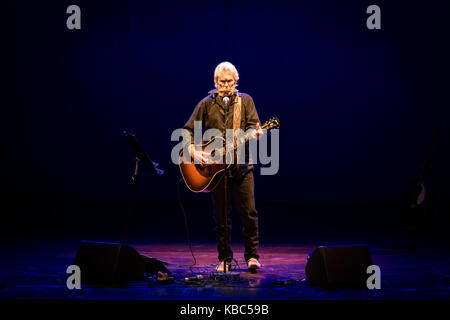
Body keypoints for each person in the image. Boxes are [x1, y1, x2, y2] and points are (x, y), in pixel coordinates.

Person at [183, 62, 262, 273]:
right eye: (221, 81)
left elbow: (253, 126)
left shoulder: (246, 101)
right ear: (215, 82)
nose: (225, 85)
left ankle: (252, 256)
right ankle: (225, 259)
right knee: (221, 218)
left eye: (229, 81)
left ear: (236, 81)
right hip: (217, 171)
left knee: (249, 213)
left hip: (243, 166)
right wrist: (193, 149)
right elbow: (187, 130)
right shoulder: (206, 104)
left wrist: (255, 133)